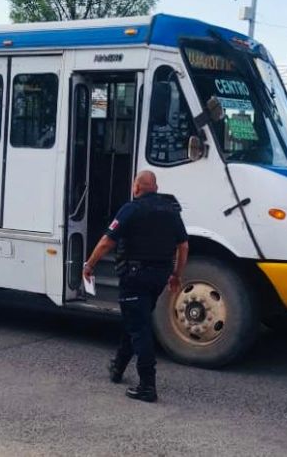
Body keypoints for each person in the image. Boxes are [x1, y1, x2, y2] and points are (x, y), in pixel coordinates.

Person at [83, 170, 189, 403]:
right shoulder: (171, 211)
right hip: (159, 276)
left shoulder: (131, 209)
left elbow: (105, 242)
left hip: (135, 276)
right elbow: (183, 246)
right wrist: (176, 274)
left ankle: (147, 386)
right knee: (136, 321)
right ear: (156, 187)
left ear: (137, 188)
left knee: (140, 329)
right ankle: (118, 367)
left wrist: (89, 265)